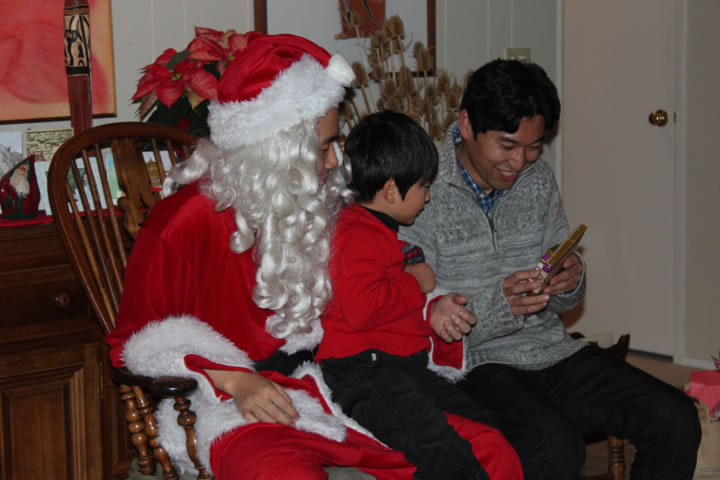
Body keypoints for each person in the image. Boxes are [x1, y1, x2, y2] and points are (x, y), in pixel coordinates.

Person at [106, 33, 521, 480]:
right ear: (277, 147)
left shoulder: (317, 205)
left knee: (488, 450)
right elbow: (137, 343)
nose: (334, 162)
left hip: (329, 385)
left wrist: (430, 305)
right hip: (229, 406)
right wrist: (236, 380)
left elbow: (366, 292)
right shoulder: (184, 219)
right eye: (323, 147)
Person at [399, 58, 701, 480]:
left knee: (674, 416)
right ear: (466, 125)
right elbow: (414, 320)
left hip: (549, 350)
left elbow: (562, 296)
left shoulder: (537, 179)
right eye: (507, 146)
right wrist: (498, 306)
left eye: (533, 147)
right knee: (554, 445)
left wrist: (569, 280)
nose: (519, 162)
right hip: (469, 365)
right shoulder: (418, 186)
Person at [317, 111, 521, 480]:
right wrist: (415, 281)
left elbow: (393, 311)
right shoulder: (355, 232)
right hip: (365, 372)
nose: (427, 197)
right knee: (443, 450)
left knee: (483, 424)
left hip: (401, 368)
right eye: (423, 187)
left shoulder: (383, 233)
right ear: (392, 190)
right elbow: (363, 309)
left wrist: (430, 309)